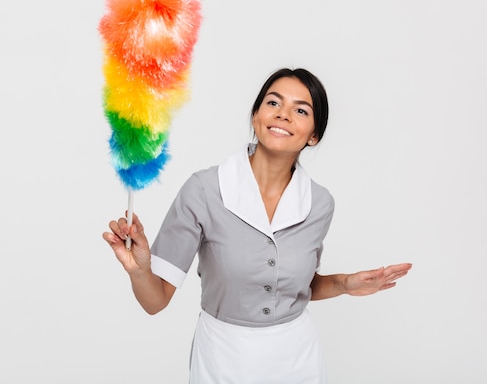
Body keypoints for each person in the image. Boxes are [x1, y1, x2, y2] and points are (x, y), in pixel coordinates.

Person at [102, 68, 412, 383]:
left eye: (300, 110)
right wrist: (139, 270)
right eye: (273, 103)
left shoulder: (319, 203)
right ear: (256, 116)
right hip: (222, 359)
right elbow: (155, 302)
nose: (283, 115)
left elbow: (293, 286)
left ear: (314, 134)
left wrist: (345, 284)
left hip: (297, 361)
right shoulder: (204, 190)